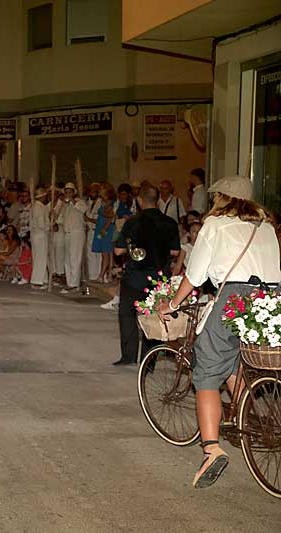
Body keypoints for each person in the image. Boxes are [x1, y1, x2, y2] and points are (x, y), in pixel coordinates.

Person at [158, 175, 281, 489]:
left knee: (207, 373)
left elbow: (195, 275)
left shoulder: (215, 224)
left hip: (234, 297)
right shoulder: (266, 226)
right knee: (237, 362)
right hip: (270, 298)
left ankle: (211, 450)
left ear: (222, 198)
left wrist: (171, 303)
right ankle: (248, 418)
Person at [112, 186, 180, 366]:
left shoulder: (133, 222)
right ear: (156, 200)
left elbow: (118, 250)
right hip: (159, 278)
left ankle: (128, 356)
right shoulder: (170, 223)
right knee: (154, 315)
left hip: (135, 277)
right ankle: (148, 361)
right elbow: (175, 251)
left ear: (140, 201)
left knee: (127, 313)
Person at [59, 182, 87, 293]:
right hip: (67, 233)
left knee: (75, 258)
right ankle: (69, 282)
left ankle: (74, 284)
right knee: (67, 259)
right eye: (66, 192)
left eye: (70, 192)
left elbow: (83, 210)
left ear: (73, 192)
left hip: (77, 233)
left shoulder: (80, 202)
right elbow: (61, 219)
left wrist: (72, 200)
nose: (67, 194)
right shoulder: (65, 206)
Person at [30, 187, 50, 289]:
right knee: (40, 258)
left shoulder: (35, 206)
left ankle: (44, 279)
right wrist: (50, 226)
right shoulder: (40, 207)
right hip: (41, 234)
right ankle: (37, 281)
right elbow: (42, 224)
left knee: (40, 257)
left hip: (36, 235)